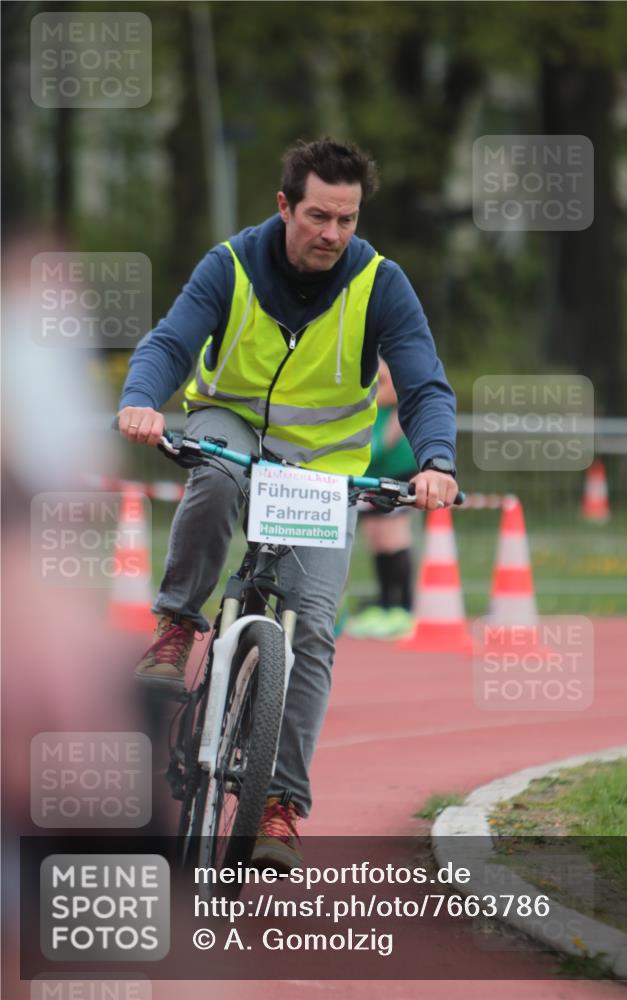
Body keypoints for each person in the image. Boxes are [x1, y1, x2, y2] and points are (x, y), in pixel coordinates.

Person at [117, 137, 458, 868]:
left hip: (322, 466)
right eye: (316, 216)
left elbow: (423, 382)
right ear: (284, 207)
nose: (331, 233)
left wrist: (435, 462)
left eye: (346, 218)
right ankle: (177, 626)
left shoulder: (380, 282)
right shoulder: (230, 263)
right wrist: (142, 401)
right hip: (228, 424)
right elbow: (171, 342)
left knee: (312, 629)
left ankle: (277, 804)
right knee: (211, 476)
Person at [345, 358, 418, 641]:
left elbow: (399, 388)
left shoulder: (395, 408)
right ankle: (386, 603)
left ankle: (403, 607)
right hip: (373, 472)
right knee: (376, 536)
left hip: (397, 469)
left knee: (393, 536)